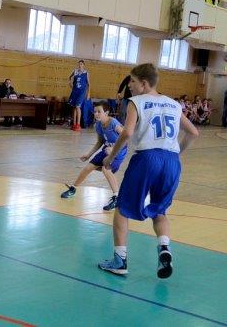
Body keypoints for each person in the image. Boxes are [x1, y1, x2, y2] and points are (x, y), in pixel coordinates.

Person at [98, 63, 199, 278]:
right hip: (171, 161)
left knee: (122, 209)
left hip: (146, 159)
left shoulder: (136, 102)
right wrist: (176, 153)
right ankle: (164, 248)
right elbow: (193, 132)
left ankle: (120, 260)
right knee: (160, 211)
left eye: (132, 81)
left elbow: (127, 133)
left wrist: (111, 157)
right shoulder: (174, 104)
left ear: (143, 84)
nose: (130, 86)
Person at [61, 102, 126, 211]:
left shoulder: (114, 123)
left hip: (119, 151)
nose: (96, 114)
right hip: (106, 149)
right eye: (95, 111)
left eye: (99, 112)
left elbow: (126, 138)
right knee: (88, 167)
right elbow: (100, 142)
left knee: (106, 169)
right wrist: (88, 154)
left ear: (106, 112)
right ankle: (73, 189)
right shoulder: (98, 125)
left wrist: (114, 148)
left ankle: (116, 197)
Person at [68, 60, 89, 131]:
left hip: (82, 92)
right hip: (75, 91)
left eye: (81, 64)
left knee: (78, 106)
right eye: (79, 64)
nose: (80, 65)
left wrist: (88, 93)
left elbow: (88, 84)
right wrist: (70, 84)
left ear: (84, 65)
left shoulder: (86, 73)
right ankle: (74, 124)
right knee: (74, 107)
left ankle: (78, 124)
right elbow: (69, 78)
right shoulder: (75, 71)